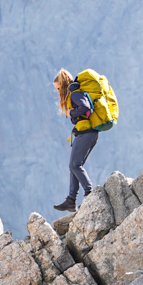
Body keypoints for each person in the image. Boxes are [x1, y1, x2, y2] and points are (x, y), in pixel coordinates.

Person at [52, 68, 96, 211]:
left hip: (86, 133)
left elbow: (85, 106)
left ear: (63, 85)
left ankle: (90, 192)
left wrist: (72, 112)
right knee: (74, 166)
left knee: (75, 165)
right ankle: (71, 200)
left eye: (58, 89)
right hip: (84, 133)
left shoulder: (74, 94)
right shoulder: (73, 94)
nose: (58, 92)